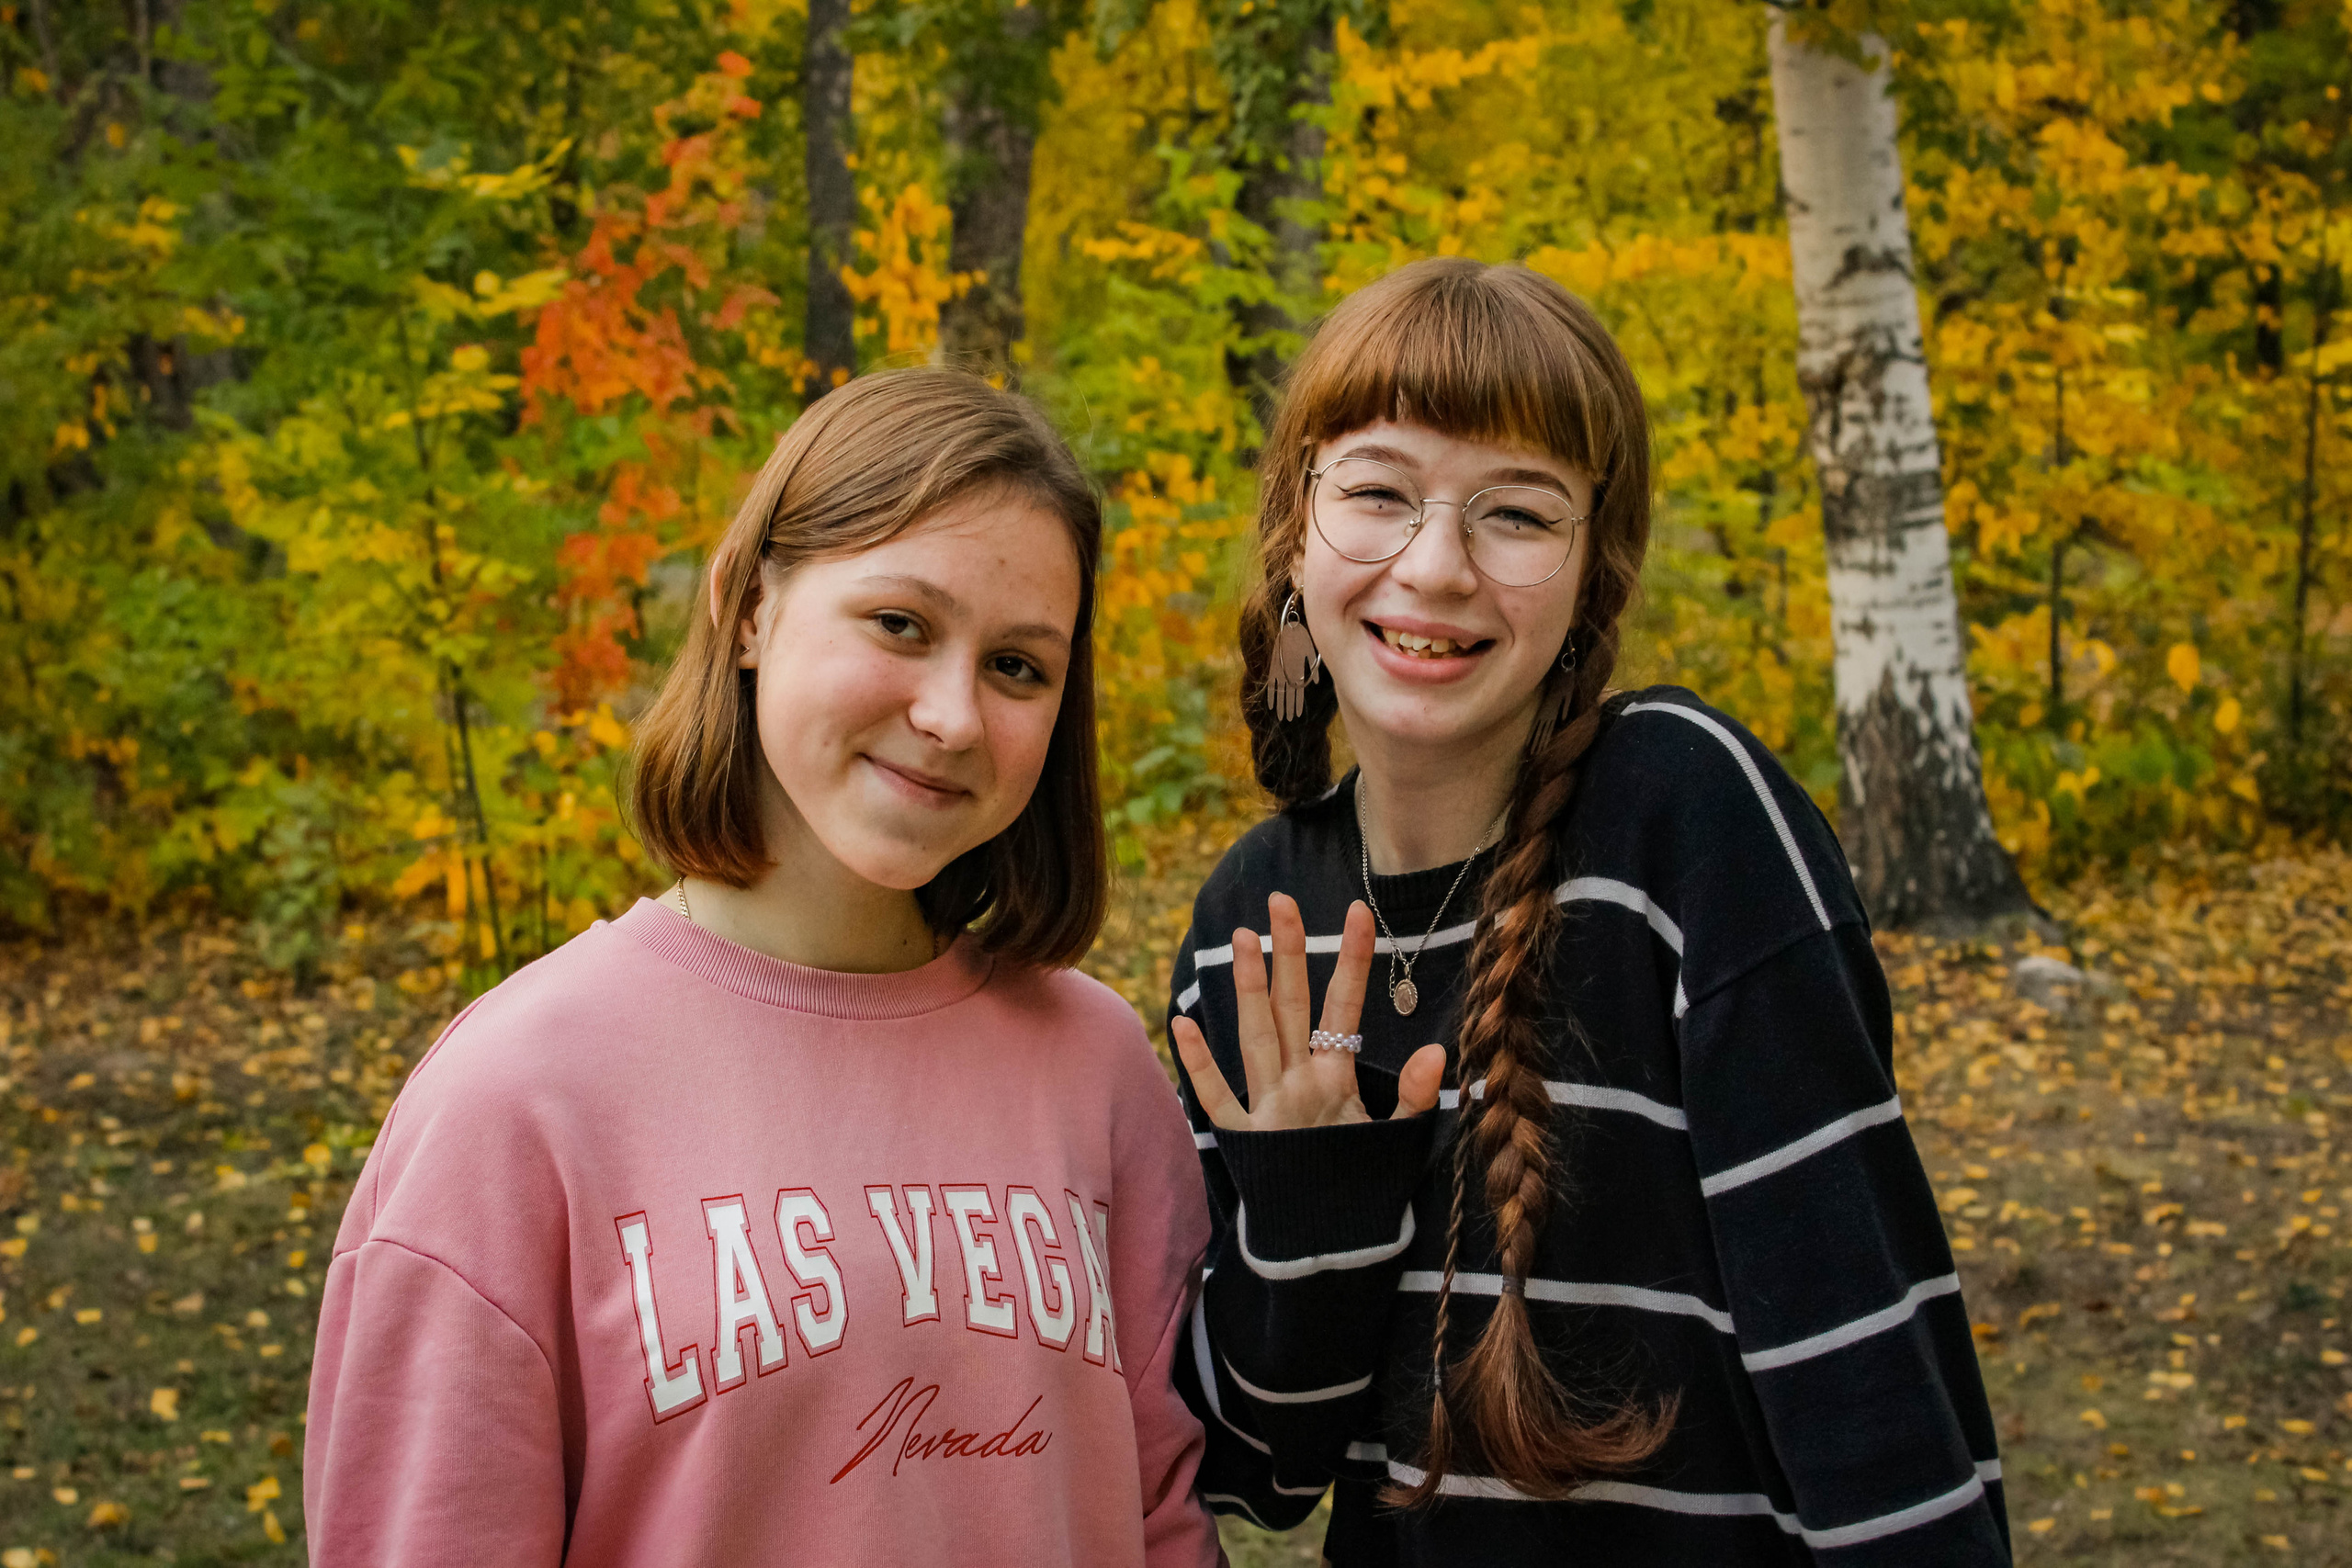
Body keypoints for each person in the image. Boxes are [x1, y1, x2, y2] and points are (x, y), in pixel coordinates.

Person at [1167, 258, 2010, 1564]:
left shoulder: (1682, 816)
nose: (1435, 567)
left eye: (1516, 513)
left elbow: (1861, 1352)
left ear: (1590, 576)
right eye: (1379, 492)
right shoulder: (1253, 920)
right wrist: (1309, 1209)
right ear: (1293, 533)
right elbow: (1256, 1469)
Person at [306, 368, 1221, 1568]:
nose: (952, 713)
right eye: (901, 624)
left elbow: (1159, 1520)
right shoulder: (515, 1102)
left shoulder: (1096, 1068)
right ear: (748, 609)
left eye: (1018, 667)